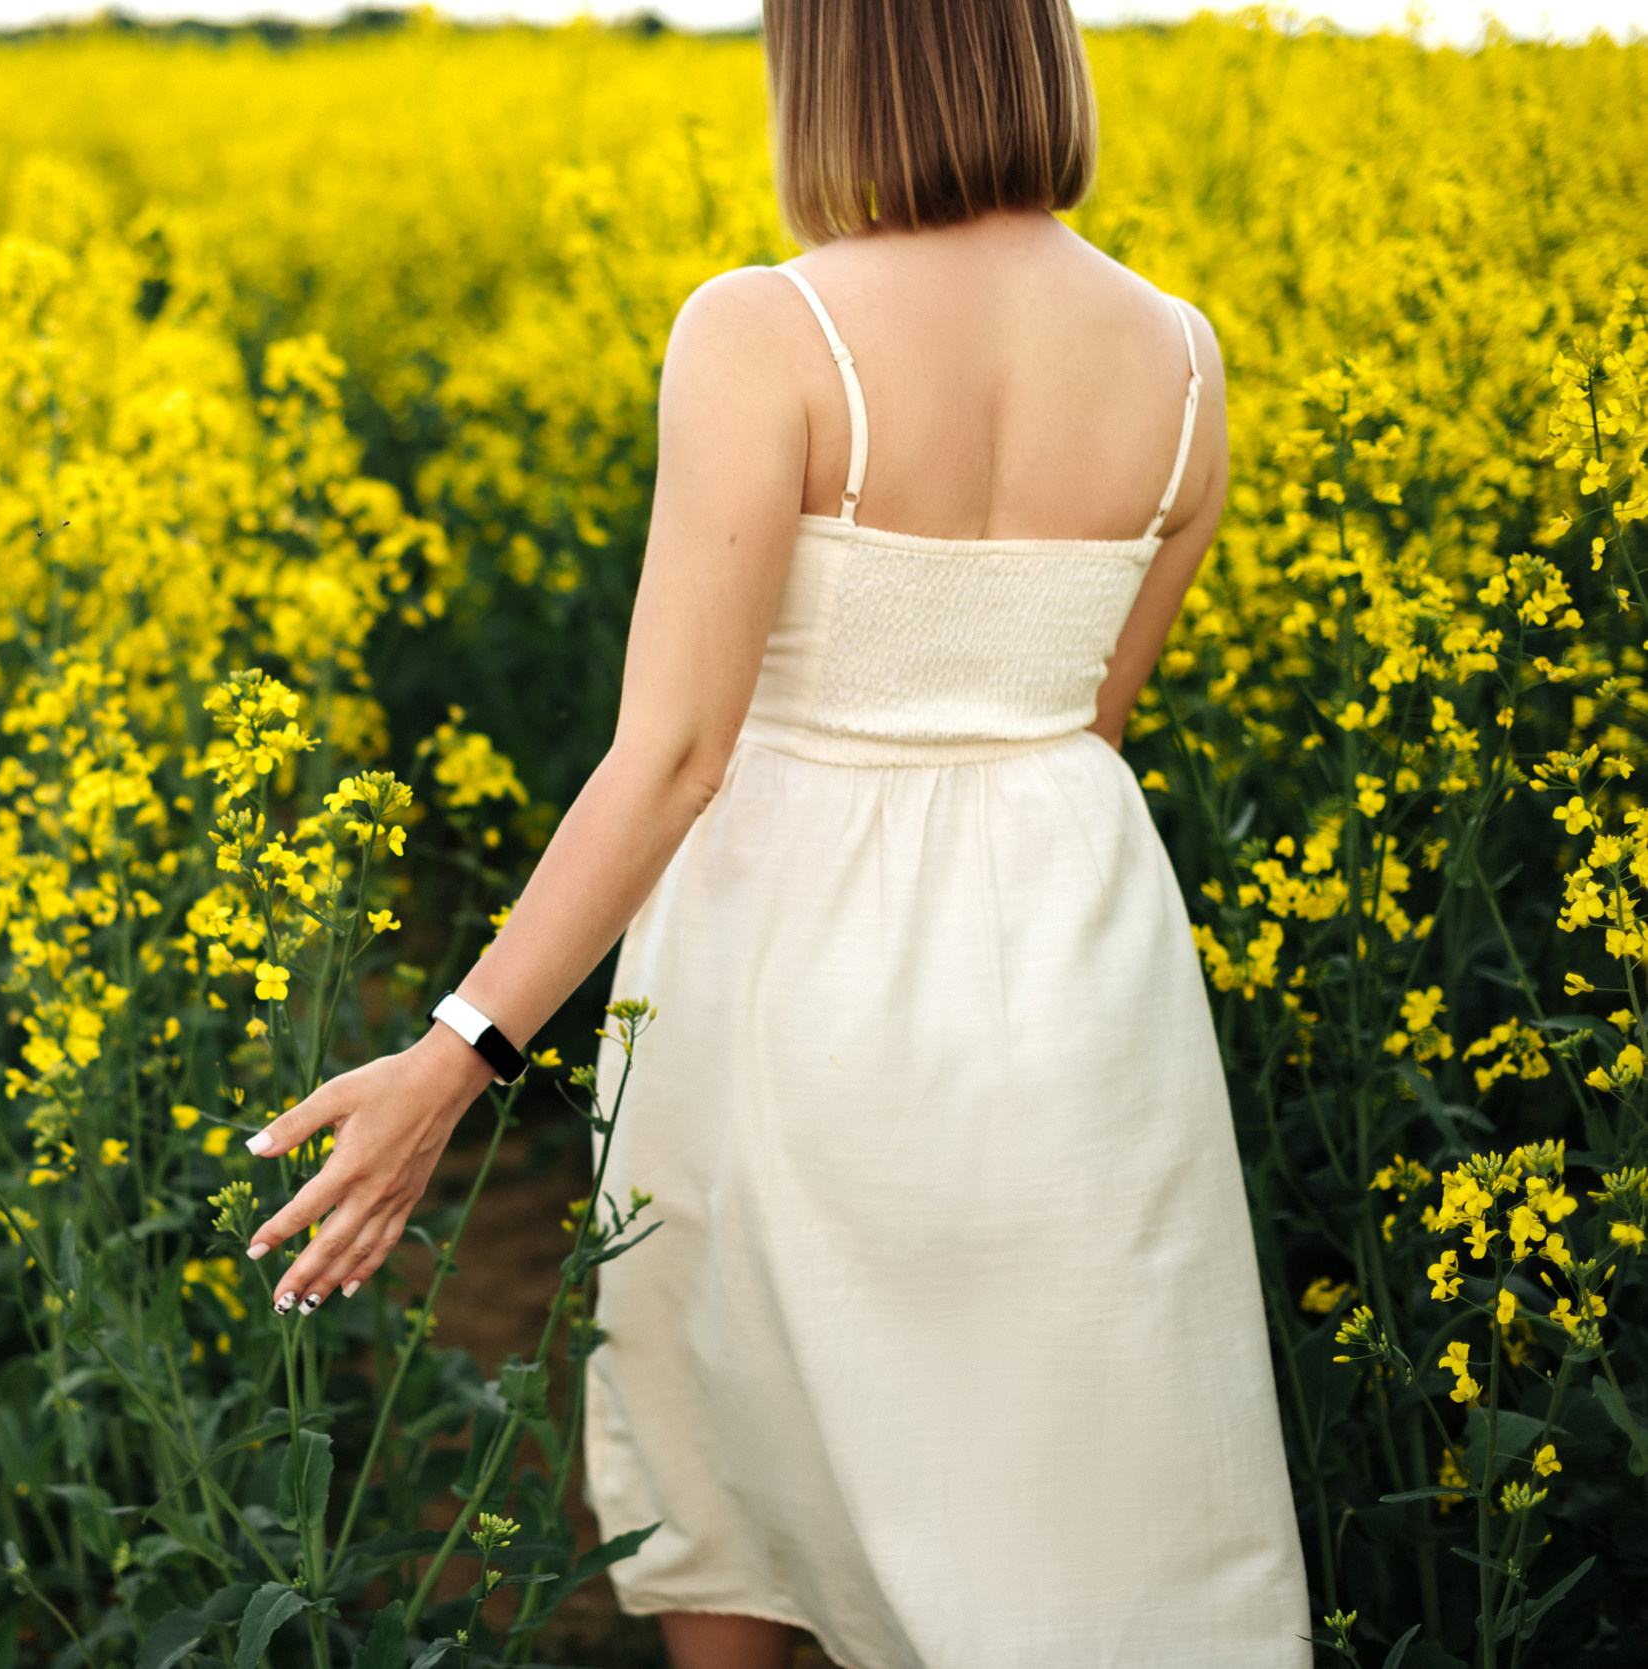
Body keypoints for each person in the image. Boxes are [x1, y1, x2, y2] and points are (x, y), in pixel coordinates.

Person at [234, 0, 1312, 1660]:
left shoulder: (764, 329)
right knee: (1076, 1481)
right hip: (1081, 975)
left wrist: (456, 1052)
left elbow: (672, 754)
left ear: (825, 64)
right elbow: (1084, 727)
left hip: (792, 970)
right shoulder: (1182, 355)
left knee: (733, 1486)